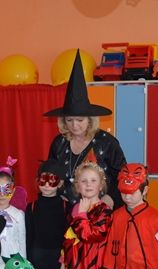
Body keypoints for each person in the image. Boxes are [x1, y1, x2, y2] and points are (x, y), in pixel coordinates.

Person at [45, 50, 126, 209]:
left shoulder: (107, 142)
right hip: (66, 211)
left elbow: (122, 176)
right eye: (69, 120)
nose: (74, 125)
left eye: (80, 120)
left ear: (90, 119)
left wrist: (110, 199)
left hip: (100, 211)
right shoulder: (59, 143)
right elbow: (51, 174)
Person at [61, 162, 113, 269]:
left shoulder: (104, 210)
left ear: (101, 185)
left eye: (93, 180)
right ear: (77, 186)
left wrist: (82, 214)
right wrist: (63, 262)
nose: (88, 184)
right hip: (73, 266)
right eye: (83, 181)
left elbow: (91, 235)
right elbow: (69, 237)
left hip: (91, 268)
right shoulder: (75, 208)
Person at [25, 159, 70, 269]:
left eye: (52, 180)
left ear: (60, 183)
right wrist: (29, 262)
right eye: (43, 179)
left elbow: (69, 238)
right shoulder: (31, 207)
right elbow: (29, 237)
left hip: (59, 257)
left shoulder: (67, 207)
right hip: (37, 256)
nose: (46, 184)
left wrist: (65, 261)